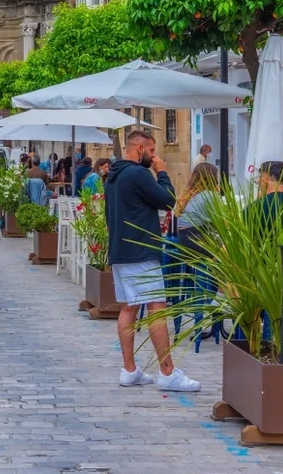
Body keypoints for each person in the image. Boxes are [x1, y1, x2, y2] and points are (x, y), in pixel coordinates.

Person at [105, 130, 200, 392]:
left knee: (129, 308)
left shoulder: (112, 176)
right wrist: (163, 172)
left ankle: (129, 369)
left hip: (121, 251)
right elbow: (169, 200)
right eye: (152, 151)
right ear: (139, 149)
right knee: (157, 308)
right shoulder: (137, 173)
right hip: (141, 250)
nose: (155, 156)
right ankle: (167, 372)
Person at [173, 163, 220, 250]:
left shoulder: (186, 196)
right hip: (197, 241)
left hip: (183, 241)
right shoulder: (210, 195)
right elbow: (220, 222)